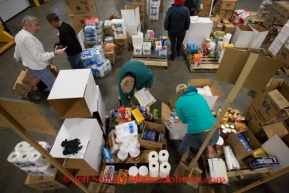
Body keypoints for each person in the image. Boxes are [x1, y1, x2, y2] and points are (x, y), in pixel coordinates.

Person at [14, 15, 65, 91]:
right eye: (36, 25)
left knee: (47, 81)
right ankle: (59, 101)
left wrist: (17, 58)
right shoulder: (28, 38)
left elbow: (17, 49)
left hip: (32, 68)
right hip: (40, 69)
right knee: (55, 87)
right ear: (27, 24)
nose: (39, 28)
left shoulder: (19, 35)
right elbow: (39, 57)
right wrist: (54, 53)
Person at [172, 84, 219, 156]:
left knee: (186, 141)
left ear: (178, 94)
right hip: (215, 132)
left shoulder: (179, 102)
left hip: (199, 135)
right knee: (199, 141)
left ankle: (180, 151)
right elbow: (206, 109)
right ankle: (195, 149)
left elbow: (184, 121)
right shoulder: (199, 96)